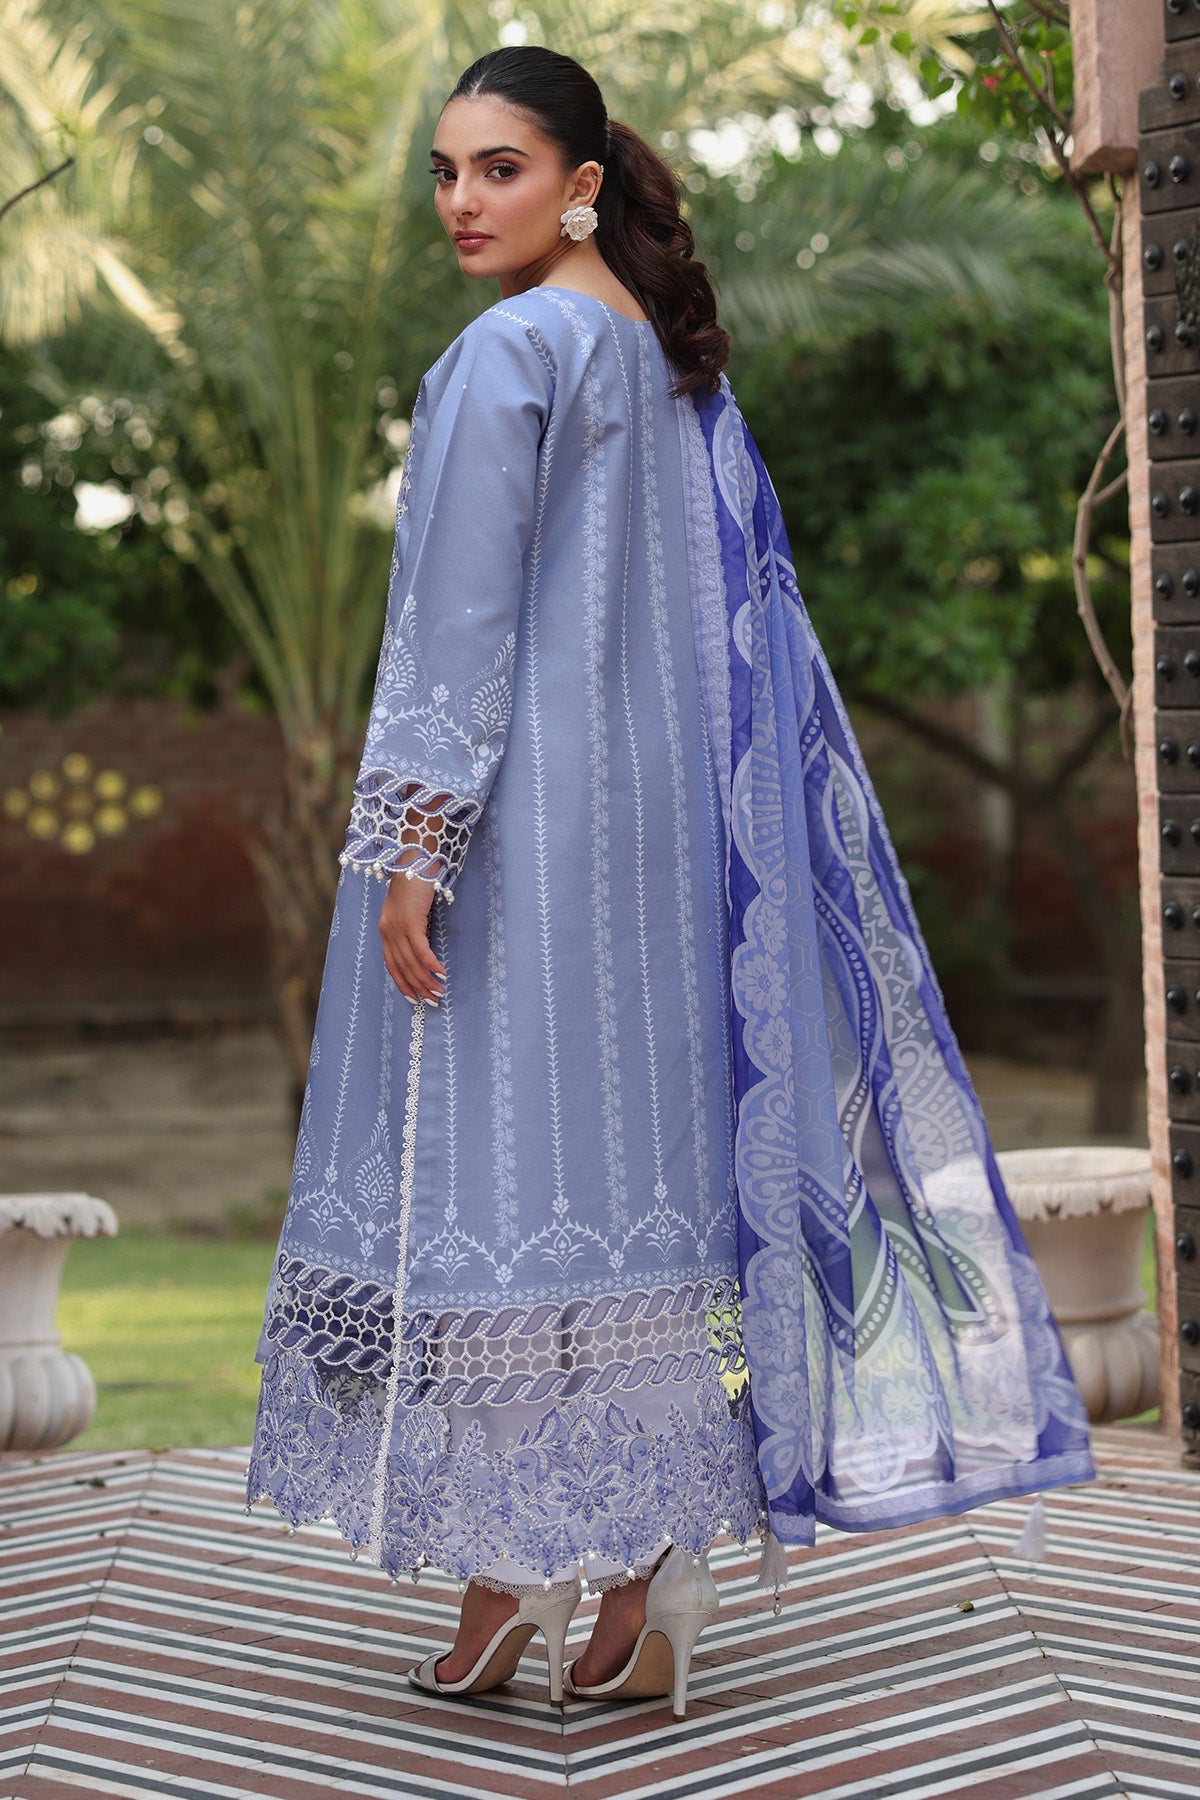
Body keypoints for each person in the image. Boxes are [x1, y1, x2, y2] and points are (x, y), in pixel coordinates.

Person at [246, 44, 1095, 1720]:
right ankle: (633, 1580)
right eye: (445, 171)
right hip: (662, 854)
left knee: (493, 1187)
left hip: (516, 841)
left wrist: (414, 847)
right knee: (621, 1190)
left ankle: (513, 1577)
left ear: (581, 185)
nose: (460, 202)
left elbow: (462, 624)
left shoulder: (510, 354)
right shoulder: (668, 368)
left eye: (499, 168)